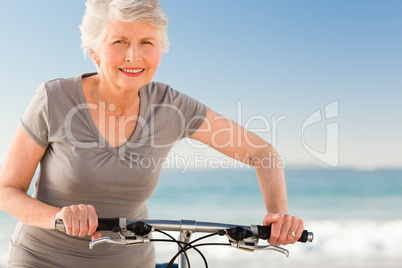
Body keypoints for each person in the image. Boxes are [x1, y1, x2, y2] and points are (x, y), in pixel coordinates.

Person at [0, 0, 304, 267]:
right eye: (119, 41)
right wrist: (57, 216)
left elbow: (261, 152)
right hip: (42, 260)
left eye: (147, 42)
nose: (135, 56)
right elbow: (7, 190)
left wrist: (278, 214)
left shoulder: (171, 107)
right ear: (94, 51)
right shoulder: (54, 98)